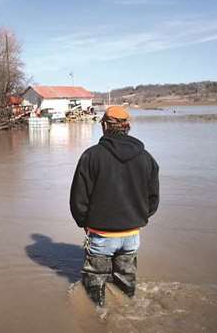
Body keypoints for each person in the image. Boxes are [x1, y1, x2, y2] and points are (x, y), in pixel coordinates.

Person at [69, 105, 160, 306]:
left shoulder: (91, 156)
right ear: (127, 127)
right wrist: (139, 216)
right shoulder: (146, 158)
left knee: (95, 285)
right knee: (127, 283)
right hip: (132, 235)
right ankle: (128, 309)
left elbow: (78, 198)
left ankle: (98, 318)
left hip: (100, 235)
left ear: (104, 126)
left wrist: (83, 222)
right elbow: (153, 199)